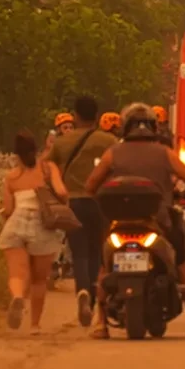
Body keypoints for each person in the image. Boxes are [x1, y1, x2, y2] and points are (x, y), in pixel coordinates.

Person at [84, 103, 185, 339]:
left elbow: (91, 185)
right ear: (153, 127)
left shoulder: (112, 153)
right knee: (182, 263)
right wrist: (177, 190)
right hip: (159, 222)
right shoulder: (164, 153)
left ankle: (100, 322)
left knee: (104, 266)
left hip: (118, 223)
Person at [48, 96, 119, 327]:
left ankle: (82, 292)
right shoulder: (109, 141)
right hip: (101, 202)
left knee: (79, 251)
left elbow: (47, 165)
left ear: (75, 116)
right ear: (97, 116)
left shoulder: (63, 142)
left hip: (74, 202)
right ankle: (94, 294)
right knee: (98, 252)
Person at [0, 130, 70, 334]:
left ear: (16, 154)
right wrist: (61, 203)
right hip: (42, 225)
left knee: (17, 273)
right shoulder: (48, 169)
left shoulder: (11, 177)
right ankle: (35, 325)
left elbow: (9, 209)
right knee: (39, 279)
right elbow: (63, 192)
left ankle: (18, 296)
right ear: (36, 148)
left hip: (16, 224)